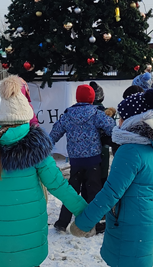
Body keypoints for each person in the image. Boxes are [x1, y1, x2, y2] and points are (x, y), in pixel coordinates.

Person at [0, 77, 86, 267]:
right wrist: (83, 210)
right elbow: (58, 185)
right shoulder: (36, 148)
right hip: (30, 230)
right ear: (25, 116)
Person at [72, 89, 153, 267]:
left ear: (134, 120)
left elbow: (111, 192)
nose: (119, 121)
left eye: (122, 117)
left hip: (128, 225)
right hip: (148, 223)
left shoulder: (130, 151)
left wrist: (84, 223)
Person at [50, 84, 117, 232]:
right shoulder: (96, 114)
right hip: (93, 160)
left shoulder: (68, 115)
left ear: (77, 98)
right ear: (92, 99)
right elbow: (111, 128)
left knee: (71, 193)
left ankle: (62, 222)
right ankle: (94, 222)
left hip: (75, 162)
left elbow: (55, 133)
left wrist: (45, 146)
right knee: (94, 192)